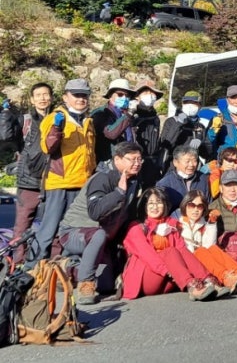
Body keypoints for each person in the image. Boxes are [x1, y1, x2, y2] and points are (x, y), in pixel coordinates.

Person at [58, 142, 143, 304]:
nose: (137, 163)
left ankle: (69, 269)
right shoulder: (102, 178)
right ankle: (85, 284)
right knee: (98, 234)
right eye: (132, 159)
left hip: (103, 238)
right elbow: (95, 212)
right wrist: (119, 192)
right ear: (117, 159)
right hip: (73, 232)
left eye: (140, 159)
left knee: (106, 285)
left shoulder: (133, 181)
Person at [32, 79, 96, 263]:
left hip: (82, 184)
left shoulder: (87, 121)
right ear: (65, 97)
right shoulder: (54, 118)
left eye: (84, 95)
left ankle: (68, 267)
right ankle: (33, 268)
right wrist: (56, 129)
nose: (81, 99)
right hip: (59, 183)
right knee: (48, 229)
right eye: (76, 95)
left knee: (74, 230)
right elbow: (47, 147)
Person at [122, 187, 218, 301]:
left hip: (169, 280)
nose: (155, 207)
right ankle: (192, 286)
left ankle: (208, 280)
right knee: (171, 251)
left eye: (159, 203)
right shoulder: (136, 228)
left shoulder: (171, 225)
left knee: (182, 250)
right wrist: (167, 271)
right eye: (151, 203)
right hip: (147, 279)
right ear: (144, 206)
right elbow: (147, 255)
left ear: (165, 205)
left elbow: (182, 250)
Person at [177, 190, 237, 294]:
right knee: (200, 251)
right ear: (185, 205)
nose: (196, 210)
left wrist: (211, 223)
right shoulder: (176, 224)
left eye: (200, 206)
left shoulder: (203, 224)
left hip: (203, 259)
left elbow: (209, 245)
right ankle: (226, 277)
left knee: (213, 248)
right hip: (189, 263)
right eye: (191, 205)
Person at [11, 82, 52, 264]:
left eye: (46, 94)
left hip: (52, 180)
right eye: (38, 95)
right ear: (32, 99)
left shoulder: (57, 119)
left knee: (52, 225)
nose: (43, 98)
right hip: (28, 181)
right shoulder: (24, 121)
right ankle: (18, 263)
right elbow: (9, 139)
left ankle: (47, 265)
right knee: (22, 225)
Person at [158, 89, 213, 172]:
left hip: (192, 168)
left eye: (194, 103)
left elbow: (206, 154)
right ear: (182, 104)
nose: (190, 105)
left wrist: (201, 143)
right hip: (173, 167)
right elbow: (166, 144)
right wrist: (179, 124)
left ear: (200, 106)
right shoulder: (171, 121)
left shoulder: (200, 126)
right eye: (187, 102)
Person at [130, 79, 164, 189]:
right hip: (137, 161)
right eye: (145, 92)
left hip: (152, 162)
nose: (149, 95)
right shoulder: (132, 115)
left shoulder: (155, 118)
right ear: (137, 96)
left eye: (152, 93)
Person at [156, 145, 211, 215]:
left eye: (194, 161)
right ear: (175, 162)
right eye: (187, 161)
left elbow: (208, 202)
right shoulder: (164, 184)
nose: (191, 164)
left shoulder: (202, 178)